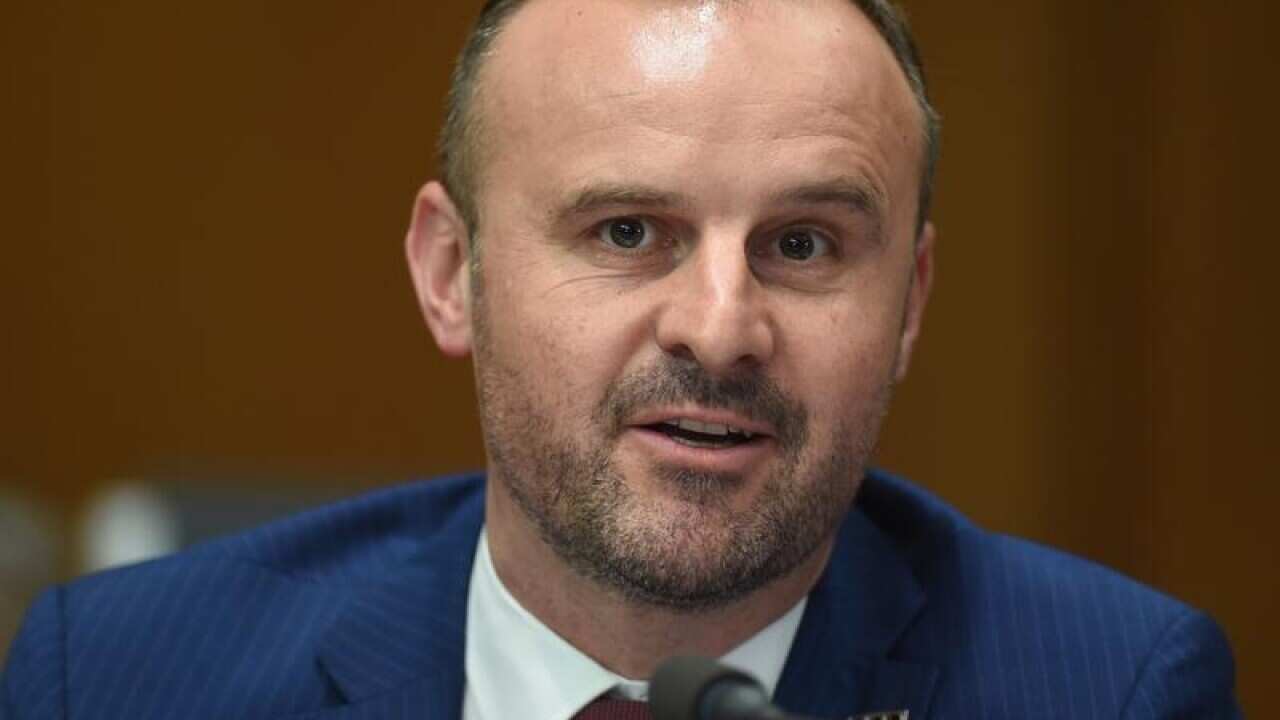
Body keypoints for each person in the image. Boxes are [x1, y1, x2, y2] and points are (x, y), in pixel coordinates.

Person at [1, 0, 1241, 718]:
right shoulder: (113, 678)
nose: (718, 327)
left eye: (801, 243)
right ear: (451, 274)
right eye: (628, 231)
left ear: (908, 302)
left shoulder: (1109, 690)